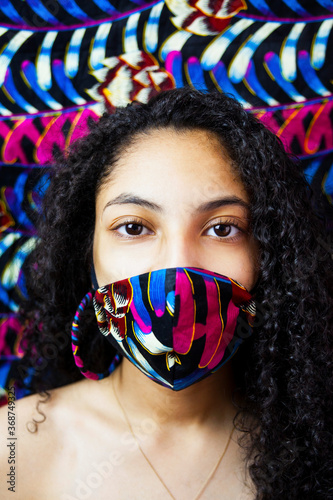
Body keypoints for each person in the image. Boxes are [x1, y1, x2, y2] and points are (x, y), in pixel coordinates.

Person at [0, 87, 332, 500]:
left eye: (222, 228)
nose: (177, 269)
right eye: (134, 227)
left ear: (270, 255)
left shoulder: (316, 447)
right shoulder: (12, 449)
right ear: (88, 253)